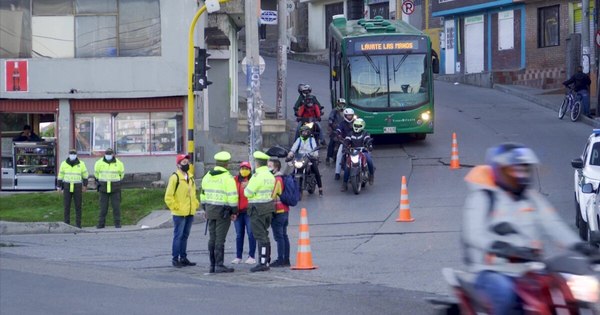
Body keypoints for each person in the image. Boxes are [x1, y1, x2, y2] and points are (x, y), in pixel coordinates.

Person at [462, 143, 591, 314]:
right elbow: (474, 234)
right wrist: (503, 247)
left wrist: (581, 246)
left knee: (564, 295)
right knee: (505, 295)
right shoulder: (483, 197)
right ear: (500, 170)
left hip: (530, 268)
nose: (520, 175)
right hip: (492, 271)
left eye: (523, 169)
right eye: (514, 170)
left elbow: (554, 224)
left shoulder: (530, 197)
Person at [200, 151, 239, 273]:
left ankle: (212, 264)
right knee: (220, 239)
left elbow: (202, 194)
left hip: (210, 210)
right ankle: (219, 264)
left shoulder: (207, 176)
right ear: (226, 164)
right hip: (223, 212)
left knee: (212, 238)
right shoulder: (227, 178)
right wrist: (234, 211)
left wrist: (205, 209)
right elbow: (233, 197)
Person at [164, 154, 199, 268]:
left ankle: (183, 257)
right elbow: (168, 197)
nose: (186, 164)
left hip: (189, 211)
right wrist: (176, 207)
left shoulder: (190, 177)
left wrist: (195, 204)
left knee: (185, 236)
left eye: (187, 162)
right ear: (178, 165)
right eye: (184, 163)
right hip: (179, 213)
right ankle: (175, 258)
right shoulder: (175, 177)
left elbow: (193, 193)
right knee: (178, 236)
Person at [244, 151, 276, 272]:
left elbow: (248, 193)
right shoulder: (270, 176)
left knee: (260, 236)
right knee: (265, 235)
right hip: (268, 208)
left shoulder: (257, 176)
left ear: (257, 163)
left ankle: (262, 262)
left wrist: (246, 187)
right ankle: (266, 260)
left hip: (257, 209)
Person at [287, 124, 323, 197]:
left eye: (306, 132)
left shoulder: (311, 140)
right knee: (293, 172)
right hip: (300, 157)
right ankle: (290, 189)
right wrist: (290, 153)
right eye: (303, 132)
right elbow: (294, 148)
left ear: (309, 132)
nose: (304, 133)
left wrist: (315, 154)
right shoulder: (299, 139)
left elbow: (315, 148)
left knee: (316, 171)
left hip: (310, 157)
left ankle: (320, 189)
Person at [232, 161, 257, 265]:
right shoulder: (235, 180)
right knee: (239, 235)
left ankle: (251, 256)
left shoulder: (253, 180)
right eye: (242, 168)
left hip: (249, 211)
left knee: (251, 234)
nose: (244, 170)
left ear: (250, 170)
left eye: (246, 168)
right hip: (238, 212)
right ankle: (238, 256)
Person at [57, 149, 89, 228]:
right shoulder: (64, 164)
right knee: (66, 206)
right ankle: (66, 224)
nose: (72, 155)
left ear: (76, 155)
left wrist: (85, 185)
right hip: (67, 186)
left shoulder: (81, 164)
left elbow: (85, 175)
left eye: (74, 153)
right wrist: (59, 187)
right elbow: (60, 175)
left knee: (78, 206)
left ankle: (78, 224)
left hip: (77, 186)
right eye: (71, 153)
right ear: (69, 154)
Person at [94, 148, 125, 228]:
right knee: (103, 208)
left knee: (116, 207)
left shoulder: (119, 163)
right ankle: (101, 224)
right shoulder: (99, 163)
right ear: (105, 154)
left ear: (113, 154)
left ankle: (117, 224)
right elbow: (96, 174)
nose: (108, 155)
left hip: (115, 188)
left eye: (110, 154)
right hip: (103, 188)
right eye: (107, 154)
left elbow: (122, 175)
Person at [341, 118, 374, 191]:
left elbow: (367, 139)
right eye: (356, 125)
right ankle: (344, 184)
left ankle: (371, 175)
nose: (357, 127)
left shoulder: (365, 133)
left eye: (359, 126)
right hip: (353, 152)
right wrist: (344, 147)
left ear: (362, 126)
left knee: (369, 160)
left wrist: (370, 145)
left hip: (363, 151)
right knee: (347, 166)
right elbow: (346, 140)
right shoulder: (350, 133)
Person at [269, 158, 291, 267]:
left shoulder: (276, 179)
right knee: (284, 235)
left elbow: (272, 195)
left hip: (278, 210)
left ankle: (281, 259)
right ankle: (286, 259)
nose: (268, 168)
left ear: (276, 167)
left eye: (270, 166)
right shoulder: (281, 177)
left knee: (279, 237)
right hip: (285, 210)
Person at [334, 108, 356, 180]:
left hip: (355, 143)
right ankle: (337, 173)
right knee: (339, 155)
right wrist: (338, 134)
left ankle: (366, 169)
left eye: (350, 115)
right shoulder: (342, 123)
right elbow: (338, 130)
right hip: (344, 143)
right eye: (348, 115)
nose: (349, 117)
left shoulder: (356, 123)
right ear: (345, 116)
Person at [326, 98, 346, 166]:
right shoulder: (334, 110)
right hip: (335, 129)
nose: (342, 105)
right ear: (338, 104)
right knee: (331, 143)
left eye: (343, 104)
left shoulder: (346, 111)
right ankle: (328, 157)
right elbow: (330, 118)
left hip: (344, 130)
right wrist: (331, 123)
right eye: (340, 104)